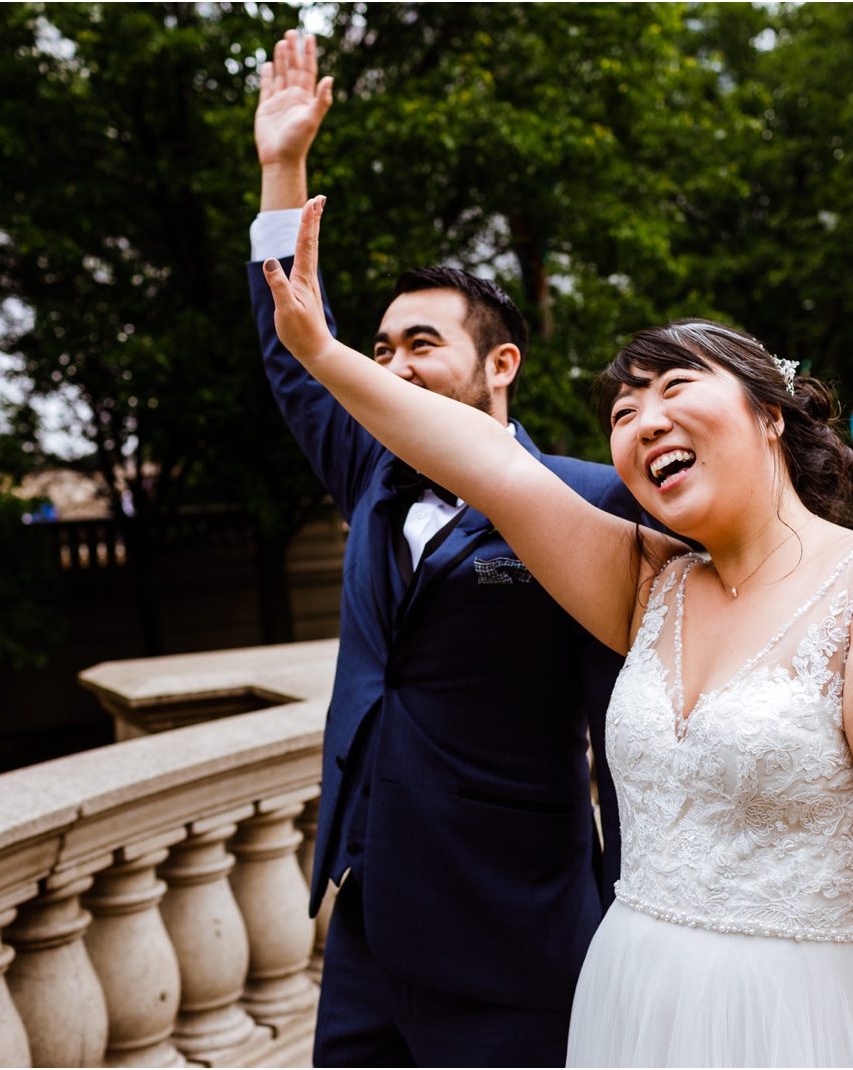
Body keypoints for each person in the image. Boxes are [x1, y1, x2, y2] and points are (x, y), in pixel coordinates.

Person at [261, 195, 853, 1068]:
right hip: (629, 1004)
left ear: (770, 413)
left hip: (797, 1023)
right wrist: (319, 353)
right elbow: (480, 457)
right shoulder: (645, 582)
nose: (643, 420)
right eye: (623, 413)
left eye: (673, 387)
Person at [249, 32, 650, 1067]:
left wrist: (632, 917)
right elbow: (295, 347)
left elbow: (627, 730)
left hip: (514, 920)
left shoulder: (589, 498)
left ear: (500, 363)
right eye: (379, 349)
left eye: (419, 344)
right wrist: (280, 170)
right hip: (368, 913)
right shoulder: (371, 472)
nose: (391, 366)